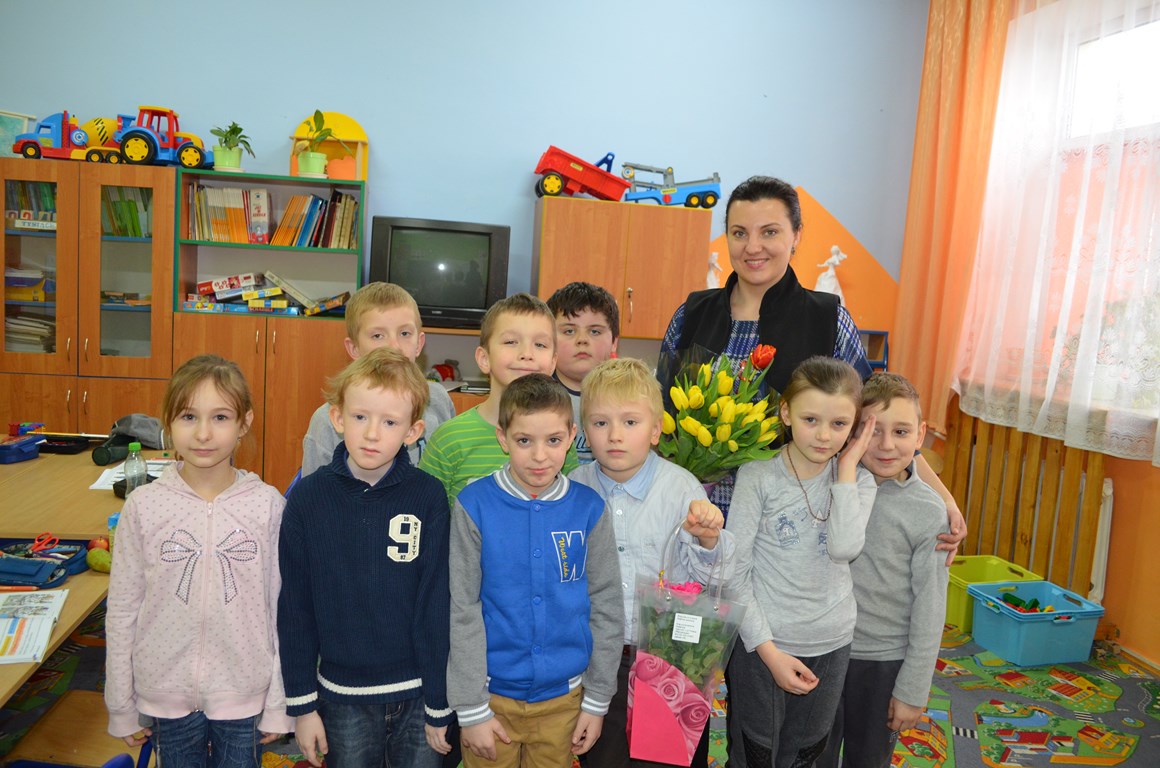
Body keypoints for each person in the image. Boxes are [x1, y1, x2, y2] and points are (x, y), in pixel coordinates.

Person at [658, 175, 964, 557]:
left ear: (796, 235)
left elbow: (872, 422)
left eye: (769, 232)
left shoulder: (827, 320)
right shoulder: (692, 314)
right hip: (694, 521)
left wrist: (943, 500)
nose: (752, 247)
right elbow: (658, 417)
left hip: (789, 536)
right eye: (739, 233)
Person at [105, 354, 292, 767]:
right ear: (168, 422)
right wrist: (121, 704)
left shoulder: (267, 507)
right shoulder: (144, 506)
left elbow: (281, 610)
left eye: (220, 417)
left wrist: (278, 704)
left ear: (244, 423)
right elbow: (122, 610)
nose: (203, 433)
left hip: (244, 690)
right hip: (164, 690)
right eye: (189, 416)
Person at [278, 347, 453, 768]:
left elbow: (436, 603)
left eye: (390, 422)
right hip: (342, 697)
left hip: (418, 693)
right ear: (337, 418)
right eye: (360, 417)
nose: (372, 434)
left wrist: (438, 702)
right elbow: (295, 607)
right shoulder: (308, 500)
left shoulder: (428, 497)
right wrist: (303, 706)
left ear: (413, 431)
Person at [447, 373, 622, 768]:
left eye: (554, 440)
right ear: (502, 437)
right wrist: (472, 708)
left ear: (572, 435)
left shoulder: (589, 508)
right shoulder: (473, 505)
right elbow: (463, 608)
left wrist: (597, 700)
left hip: (565, 700)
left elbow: (606, 606)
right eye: (524, 441)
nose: (540, 456)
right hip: (491, 698)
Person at [570, 358, 734, 768]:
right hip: (598, 660)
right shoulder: (573, 489)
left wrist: (708, 538)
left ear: (656, 429)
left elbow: (714, 578)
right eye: (600, 423)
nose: (615, 435)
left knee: (668, 759)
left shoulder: (681, 489)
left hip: (670, 658)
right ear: (584, 429)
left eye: (630, 422)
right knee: (602, 756)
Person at [726, 357, 878, 768]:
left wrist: (847, 469)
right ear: (786, 413)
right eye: (811, 419)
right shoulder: (758, 476)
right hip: (763, 643)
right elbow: (734, 574)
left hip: (831, 641)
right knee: (754, 755)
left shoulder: (858, 482)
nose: (824, 435)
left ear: (855, 427)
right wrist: (769, 652)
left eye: (839, 424)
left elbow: (844, 548)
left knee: (806, 754)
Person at [818, 373, 948, 768]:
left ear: (921, 434)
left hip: (883, 663)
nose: (887, 445)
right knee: (811, 755)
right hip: (823, 650)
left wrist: (913, 689)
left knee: (868, 759)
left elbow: (930, 607)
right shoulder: (831, 484)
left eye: (901, 431)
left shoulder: (928, 511)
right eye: (873, 431)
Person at [420, 292, 578, 509]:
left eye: (540, 345)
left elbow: (572, 511)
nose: (527, 353)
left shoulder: (558, 440)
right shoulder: (449, 439)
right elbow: (424, 516)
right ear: (484, 359)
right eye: (511, 342)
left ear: (552, 362)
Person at [301, 281, 455, 477]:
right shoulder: (327, 420)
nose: (394, 346)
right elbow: (314, 492)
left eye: (405, 333)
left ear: (419, 344)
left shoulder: (438, 399)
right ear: (354, 348)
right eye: (377, 336)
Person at [547, 281, 621, 464]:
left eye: (594, 331)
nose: (582, 340)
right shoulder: (534, 397)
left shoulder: (631, 396)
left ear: (614, 342)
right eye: (569, 331)